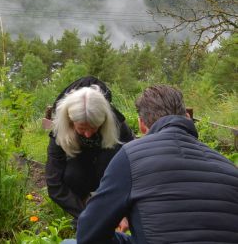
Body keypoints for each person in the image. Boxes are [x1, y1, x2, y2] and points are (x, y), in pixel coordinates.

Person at [76, 85, 238, 244]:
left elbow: (88, 235)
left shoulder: (130, 156)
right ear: (188, 117)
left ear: (141, 124)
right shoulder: (230, 168)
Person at [45, 76, 135, 227]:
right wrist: (88, 215)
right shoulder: (60, 131)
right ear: (70, 121)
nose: (88, 134)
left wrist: (122, 210)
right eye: (82, 128)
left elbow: (134, 168)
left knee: (118, 164)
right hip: (80, 179)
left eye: (94, 127)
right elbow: (54, 184)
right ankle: (86, 211)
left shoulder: (117, 124)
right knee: (71, 174)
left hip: (108, 175)